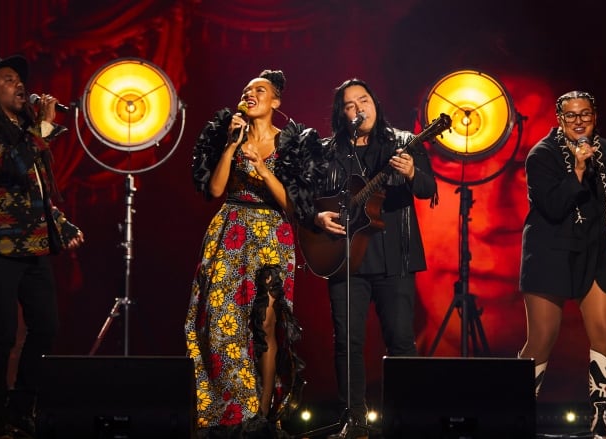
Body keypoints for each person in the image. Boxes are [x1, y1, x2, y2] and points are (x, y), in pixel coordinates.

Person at [308, 78, 438, 439]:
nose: (358, 109)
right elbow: (305, 197)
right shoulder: (327, 151)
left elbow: (429, 189)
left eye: (363, 100)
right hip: (345, 258)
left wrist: (411, 171)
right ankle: (355, 421)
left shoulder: (402, 142)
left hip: (394, 257)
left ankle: (406, 418)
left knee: (400, 339)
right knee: (346, 341)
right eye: (349, 105)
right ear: (341, 113)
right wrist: (317, 217)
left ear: (375, 103)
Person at [0, 54, 84, 439]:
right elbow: (12, 165)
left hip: (33, 246)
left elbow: (37, 192)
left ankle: (21, 409)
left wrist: (61, 224)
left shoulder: (28, 134)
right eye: (8, 79)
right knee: (2, 334)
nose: (20, 85)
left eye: (20, 78)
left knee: (46, 327)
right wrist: (43, 128)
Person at [186, 69, 307, 438]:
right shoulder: (233, 137)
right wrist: (233, 145)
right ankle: (229, 409)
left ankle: (262, 415)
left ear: (275, 102)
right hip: (231, 229)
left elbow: (293, 205)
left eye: (260, 90)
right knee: (222, 320)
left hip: (272, 233)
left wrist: (262, 169)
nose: (250, 93)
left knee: (265, 324)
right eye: (246, 89)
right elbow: (217, 187)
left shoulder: (289, 143)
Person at [519, 91, 606, 439]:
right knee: (542, 338)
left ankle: (601, 417)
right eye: (570, 115)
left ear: (595, 116)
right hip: (549, 252)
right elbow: (554, 207)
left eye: (585, 114)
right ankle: (518, 413)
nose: (578, 121)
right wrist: (578, 169)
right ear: (559, 118)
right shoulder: (541, 155)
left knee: (604, 332)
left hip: (596, 251)